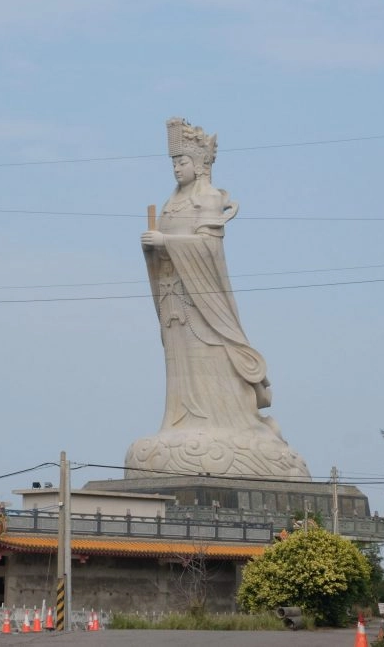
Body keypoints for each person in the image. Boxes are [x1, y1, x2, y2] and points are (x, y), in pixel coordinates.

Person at [126, 118, 310, 478]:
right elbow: (164, 253)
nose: (177, 168)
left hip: (205, 306)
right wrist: (153, 250)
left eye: (182, 161)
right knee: (180, 371)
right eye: (173, 163)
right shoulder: (171, 203)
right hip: (175, 302)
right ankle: (179, 424)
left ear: (199, 163)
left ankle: (230, 422)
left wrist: (167, 243)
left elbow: (210, 248)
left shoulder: (208, 199)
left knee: (213, 361)